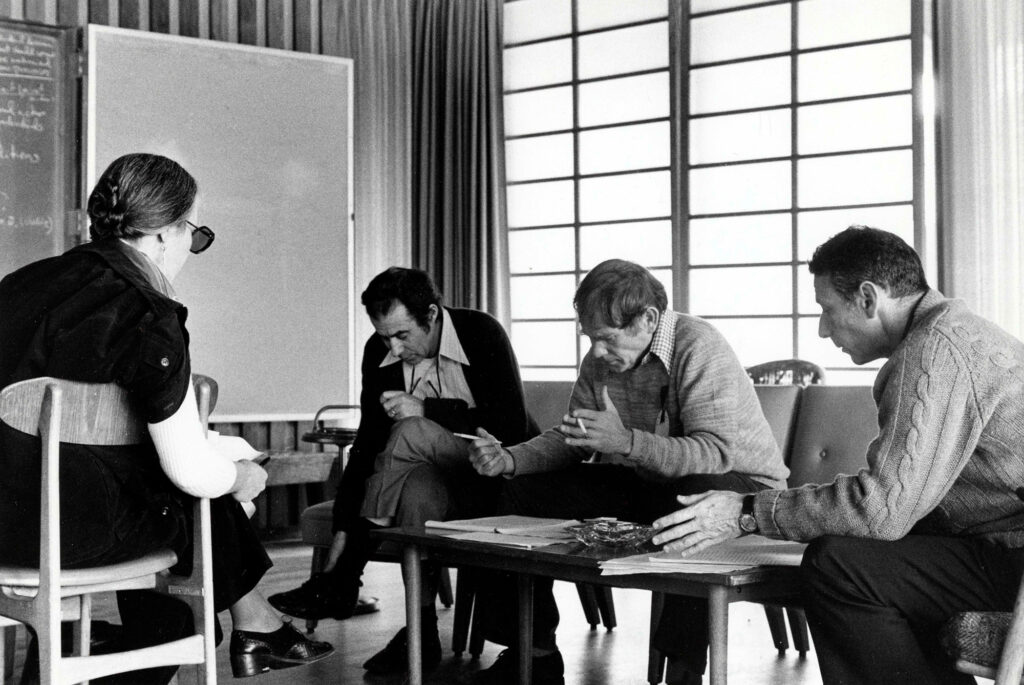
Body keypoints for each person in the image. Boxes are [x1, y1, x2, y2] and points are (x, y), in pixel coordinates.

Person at [0, 153, 333, 683]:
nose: (189, 251)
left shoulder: (18, 286)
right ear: (161, 234)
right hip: (67, 536)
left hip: (8, 520)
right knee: (196, 508)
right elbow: (188, 471)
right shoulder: (148, 314)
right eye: (193, 235)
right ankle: (250, 625)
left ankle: (250, 625)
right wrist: (241, 477)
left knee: (154, 479)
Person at [652, 225, 1024, 684]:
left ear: (868, 299)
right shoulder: (953, 332)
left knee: (839, 566)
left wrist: (747, 511)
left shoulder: (932, 353)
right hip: (1001, 549)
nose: (824, 329)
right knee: (867, 554)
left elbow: (881, 510)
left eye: (828, 309)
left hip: (1014, 560)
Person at [466, 258, 789, 685]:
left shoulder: (700, 347)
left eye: (607, 338)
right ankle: (534, 651)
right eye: (590, 337)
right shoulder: (601, 360)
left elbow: (715, 453)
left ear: (649, 319)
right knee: (518, 491)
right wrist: (510, 459)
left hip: (739, 488)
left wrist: (625, 443)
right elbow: (573, 437)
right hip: (653, 480)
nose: (596, 351)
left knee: (689, 502)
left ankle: (683, 673)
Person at [268, 266, 536, 675]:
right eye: (382, 336)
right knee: (415, 490)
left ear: (431, 314)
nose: (391, 348)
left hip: (495, 470)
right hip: (428, 477)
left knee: (410, 429)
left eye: (401, 335)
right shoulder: (379, 354)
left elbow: (511, 425)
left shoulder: (481, 332)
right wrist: (344, 519)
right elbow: (371, 445)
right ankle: (421, 631)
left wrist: (427, 410)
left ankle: (343, 578)